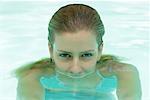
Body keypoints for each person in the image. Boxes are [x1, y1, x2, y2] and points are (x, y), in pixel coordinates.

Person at [14, 4, 142, 100]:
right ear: (50, 50)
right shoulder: (33, 77)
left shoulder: (122, 74)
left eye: (86, 55)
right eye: (65, 55)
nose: (75, 69)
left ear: (99, 50)